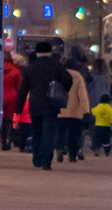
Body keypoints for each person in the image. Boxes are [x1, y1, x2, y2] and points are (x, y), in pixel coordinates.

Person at [16, 41, 73, 170]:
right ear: (50, 52)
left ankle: (37, 159)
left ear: (36, 52)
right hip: (51, 104)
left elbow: (23, 89)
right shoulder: (56, 66)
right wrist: (61, 91)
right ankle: (47, 161)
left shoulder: (31, 67)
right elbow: (68, 79)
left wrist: (19, 108)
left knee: (36, 132)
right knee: (49, 132)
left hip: (35, 104)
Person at [58, 57, 92, 163]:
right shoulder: (78, 77)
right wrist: (86, 110)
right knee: (74, 134)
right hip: (75, 111)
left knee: (60, 132)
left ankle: (59, 149)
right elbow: (82, 96)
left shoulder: (58, 75)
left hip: (60, 110)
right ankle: (72, 155)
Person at [1, 52, 22, 151]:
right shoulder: (15, 71)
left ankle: (3, 141)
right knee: (11, 120)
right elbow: (19, 86)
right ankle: (10, 139)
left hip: (0, 97)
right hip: (12, 97)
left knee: (1, 121)